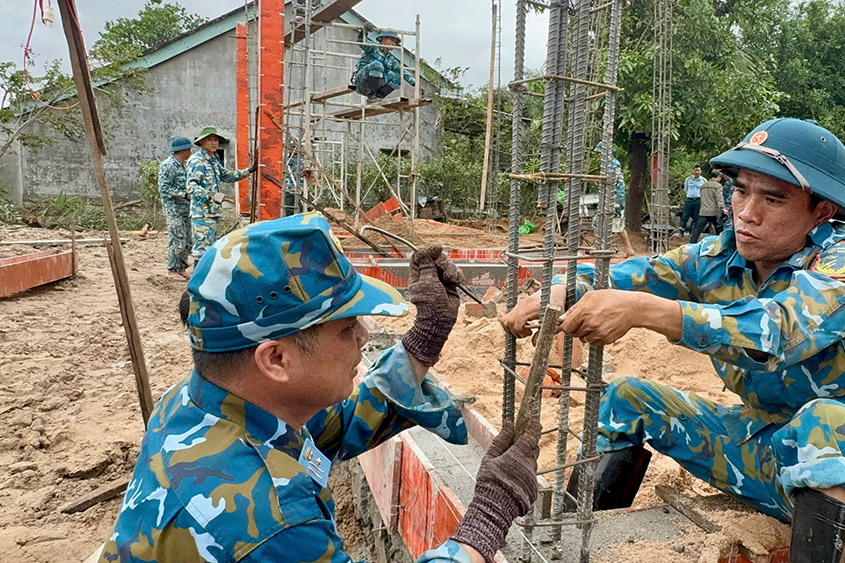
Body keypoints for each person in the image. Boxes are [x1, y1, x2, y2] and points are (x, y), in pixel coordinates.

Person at [501, 118, 845, 563]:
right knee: (626, 399)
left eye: (773, 199)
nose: (747, 213)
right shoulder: (718, 257)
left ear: (822, 211)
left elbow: (778, 333)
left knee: (825, 422)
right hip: (767, 448)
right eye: (741, 191)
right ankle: (571, 545)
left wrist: (645, 311)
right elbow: (630, 276)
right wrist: (560, 291)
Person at [99, 211, 541, 563]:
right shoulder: (273, 522)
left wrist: (425, 338)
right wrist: (485, 522)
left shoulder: (200, 400)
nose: (364, 336)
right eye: (346, 328)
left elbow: (334, 427)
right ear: (276, 359)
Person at [186, 126, 255, 267]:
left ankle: (206, 276)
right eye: (210, 140)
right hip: (202, 212)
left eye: (216, 140)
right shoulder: (197, 161)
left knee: (210, 248)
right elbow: (191, 186)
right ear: (202, 142)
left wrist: (249, 170)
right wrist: (211, 195)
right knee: (201, 249)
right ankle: (198, 277)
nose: (214, 143)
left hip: (212, 212)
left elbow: (226, 175)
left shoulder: (213, 160)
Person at [158, 136, 194, 281]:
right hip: (173, 209)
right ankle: (172, 269)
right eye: (189, 149)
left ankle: (181, 268)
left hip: (185, 209)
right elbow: (164, 188)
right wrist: (183, 194)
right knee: (177, 239)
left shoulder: (184, 165)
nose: (190, 152)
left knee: (187, 240)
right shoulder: (168, 165)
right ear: (183, 150)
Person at [593, 141, 636, 258]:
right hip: (610, 196)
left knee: (607, 222)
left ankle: (600, 248)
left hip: (615, 197)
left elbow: (613, 181)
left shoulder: (614, 164)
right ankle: (602, 247)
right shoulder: (606, 165)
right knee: (611, 223)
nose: (600, 155)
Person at [352, 25, 416, 101]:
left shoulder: (390, 59)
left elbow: (402, 71)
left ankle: (379, 95)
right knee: (377, 65)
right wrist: (365, 30)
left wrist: (415, 83)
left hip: (375, 85)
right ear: (383, 39)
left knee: (398, 76)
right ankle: (371, 95)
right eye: (392, 40)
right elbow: (361, 41)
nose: (394, 44)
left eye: (395, 42)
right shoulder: (373, 48)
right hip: (361, 81)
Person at [689, 172, 724, 243]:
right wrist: (722, 208)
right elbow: (719, 198)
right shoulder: (718, 186)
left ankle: (692, 243)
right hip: (714, 212)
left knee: (697, 229)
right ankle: (721, 244)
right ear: (718, 177)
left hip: (704, 211)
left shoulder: (703, 186)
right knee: (719, 229)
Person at [680, 165, 705, 235]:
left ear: (701, 171)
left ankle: (692, 232)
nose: (697, 172)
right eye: (695, 170)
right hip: (689, 200)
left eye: (698, 170)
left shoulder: (703, 180)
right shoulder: (688, 179)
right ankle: (682, 231)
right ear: (693, 171)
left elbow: (704, 191)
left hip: (698, 200)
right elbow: (685, 189)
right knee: (685, 216)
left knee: (696, 217)